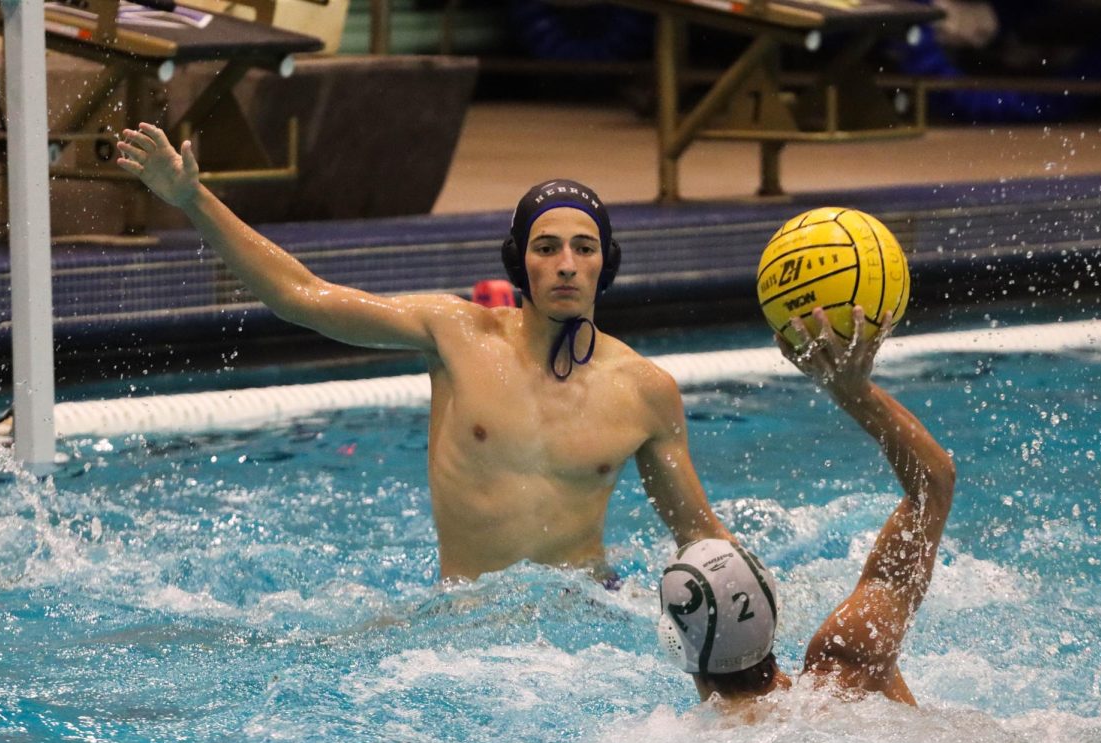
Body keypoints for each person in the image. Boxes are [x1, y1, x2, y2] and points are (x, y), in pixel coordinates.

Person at [116, 123, 735, 582]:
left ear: (609, 262)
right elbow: (301, 296)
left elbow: (699, 537)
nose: (566, 265)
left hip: (588, 621)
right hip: (465, 625)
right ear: (518, 262)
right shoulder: (456, 335)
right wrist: (193, 199)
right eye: (546, 248)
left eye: (584, 247)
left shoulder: (644, 389)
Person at [657, 306, 955, 710]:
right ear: (771, 608)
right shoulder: (845, 663)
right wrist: (853, 391)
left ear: (674, 641)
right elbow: (932, 484)